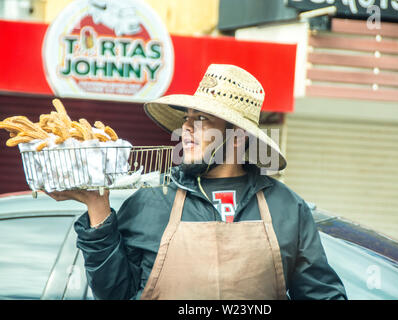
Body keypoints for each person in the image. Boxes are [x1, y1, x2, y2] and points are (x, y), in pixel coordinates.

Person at [47, 64, 347, 300]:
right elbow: (114, 294)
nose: (186, 128)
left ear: (237, 137)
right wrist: (98, 209)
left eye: (201, 120)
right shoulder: (150, 201)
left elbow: (323, 296)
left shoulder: (287, 209)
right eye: (187, 118)